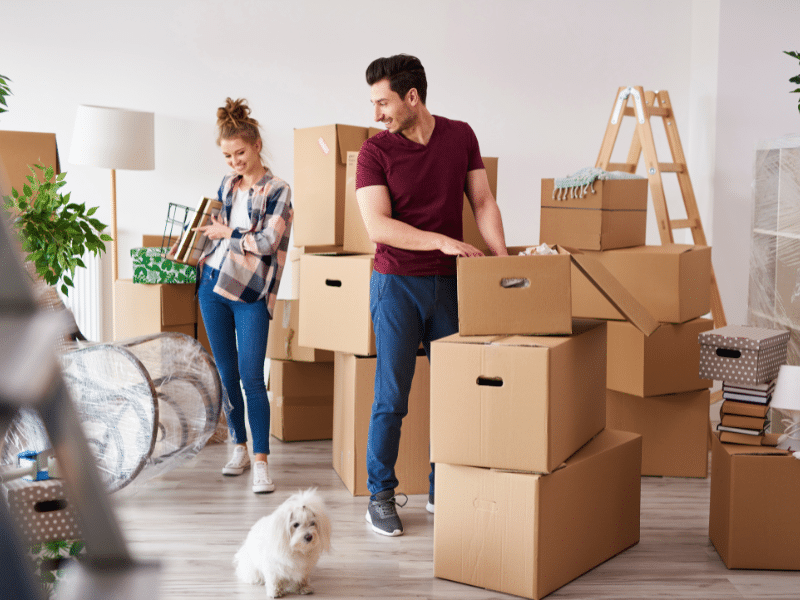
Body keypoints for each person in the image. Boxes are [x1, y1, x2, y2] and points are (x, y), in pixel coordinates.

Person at [355, 54, 508, 536]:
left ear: (412, 97)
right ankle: (380, 494)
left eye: (383, 102)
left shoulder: (460, 136)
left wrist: (503, 260)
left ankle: (444, 489)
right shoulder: (373, 151)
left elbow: (482, 202)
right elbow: (377, 225)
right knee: (392, 396)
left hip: (451, 287)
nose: (377, 113)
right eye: (374, 103)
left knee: (455, 394)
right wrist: (441, 239)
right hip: (397, 284)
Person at [195, 97, 293, 494]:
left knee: (253, 377)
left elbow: (269, 241)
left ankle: (262, 461)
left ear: (255, 145)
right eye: (227, 155)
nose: (234, 161)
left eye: (240, 152)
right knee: (226, 373)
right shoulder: (227, 185)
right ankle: (238, 445)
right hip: (212, 286)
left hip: (250, 292)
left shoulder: (278, 189)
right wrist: (192, 247)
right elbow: (214, 230)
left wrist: (229, 235)